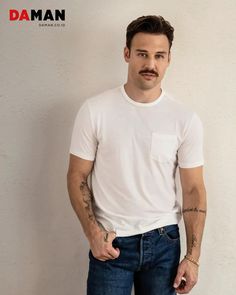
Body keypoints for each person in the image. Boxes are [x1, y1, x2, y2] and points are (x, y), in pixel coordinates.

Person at [67, 15, 207, 295]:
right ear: (127, 54)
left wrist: (192, 257)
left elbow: (193, 189)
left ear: (168, 59)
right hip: (111, 244)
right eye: (142, 54)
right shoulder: (95, 110)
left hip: (164, 242)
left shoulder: (184, 119)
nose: (151, 64)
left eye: (159, 55)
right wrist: (93, 233)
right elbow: (77, 175)